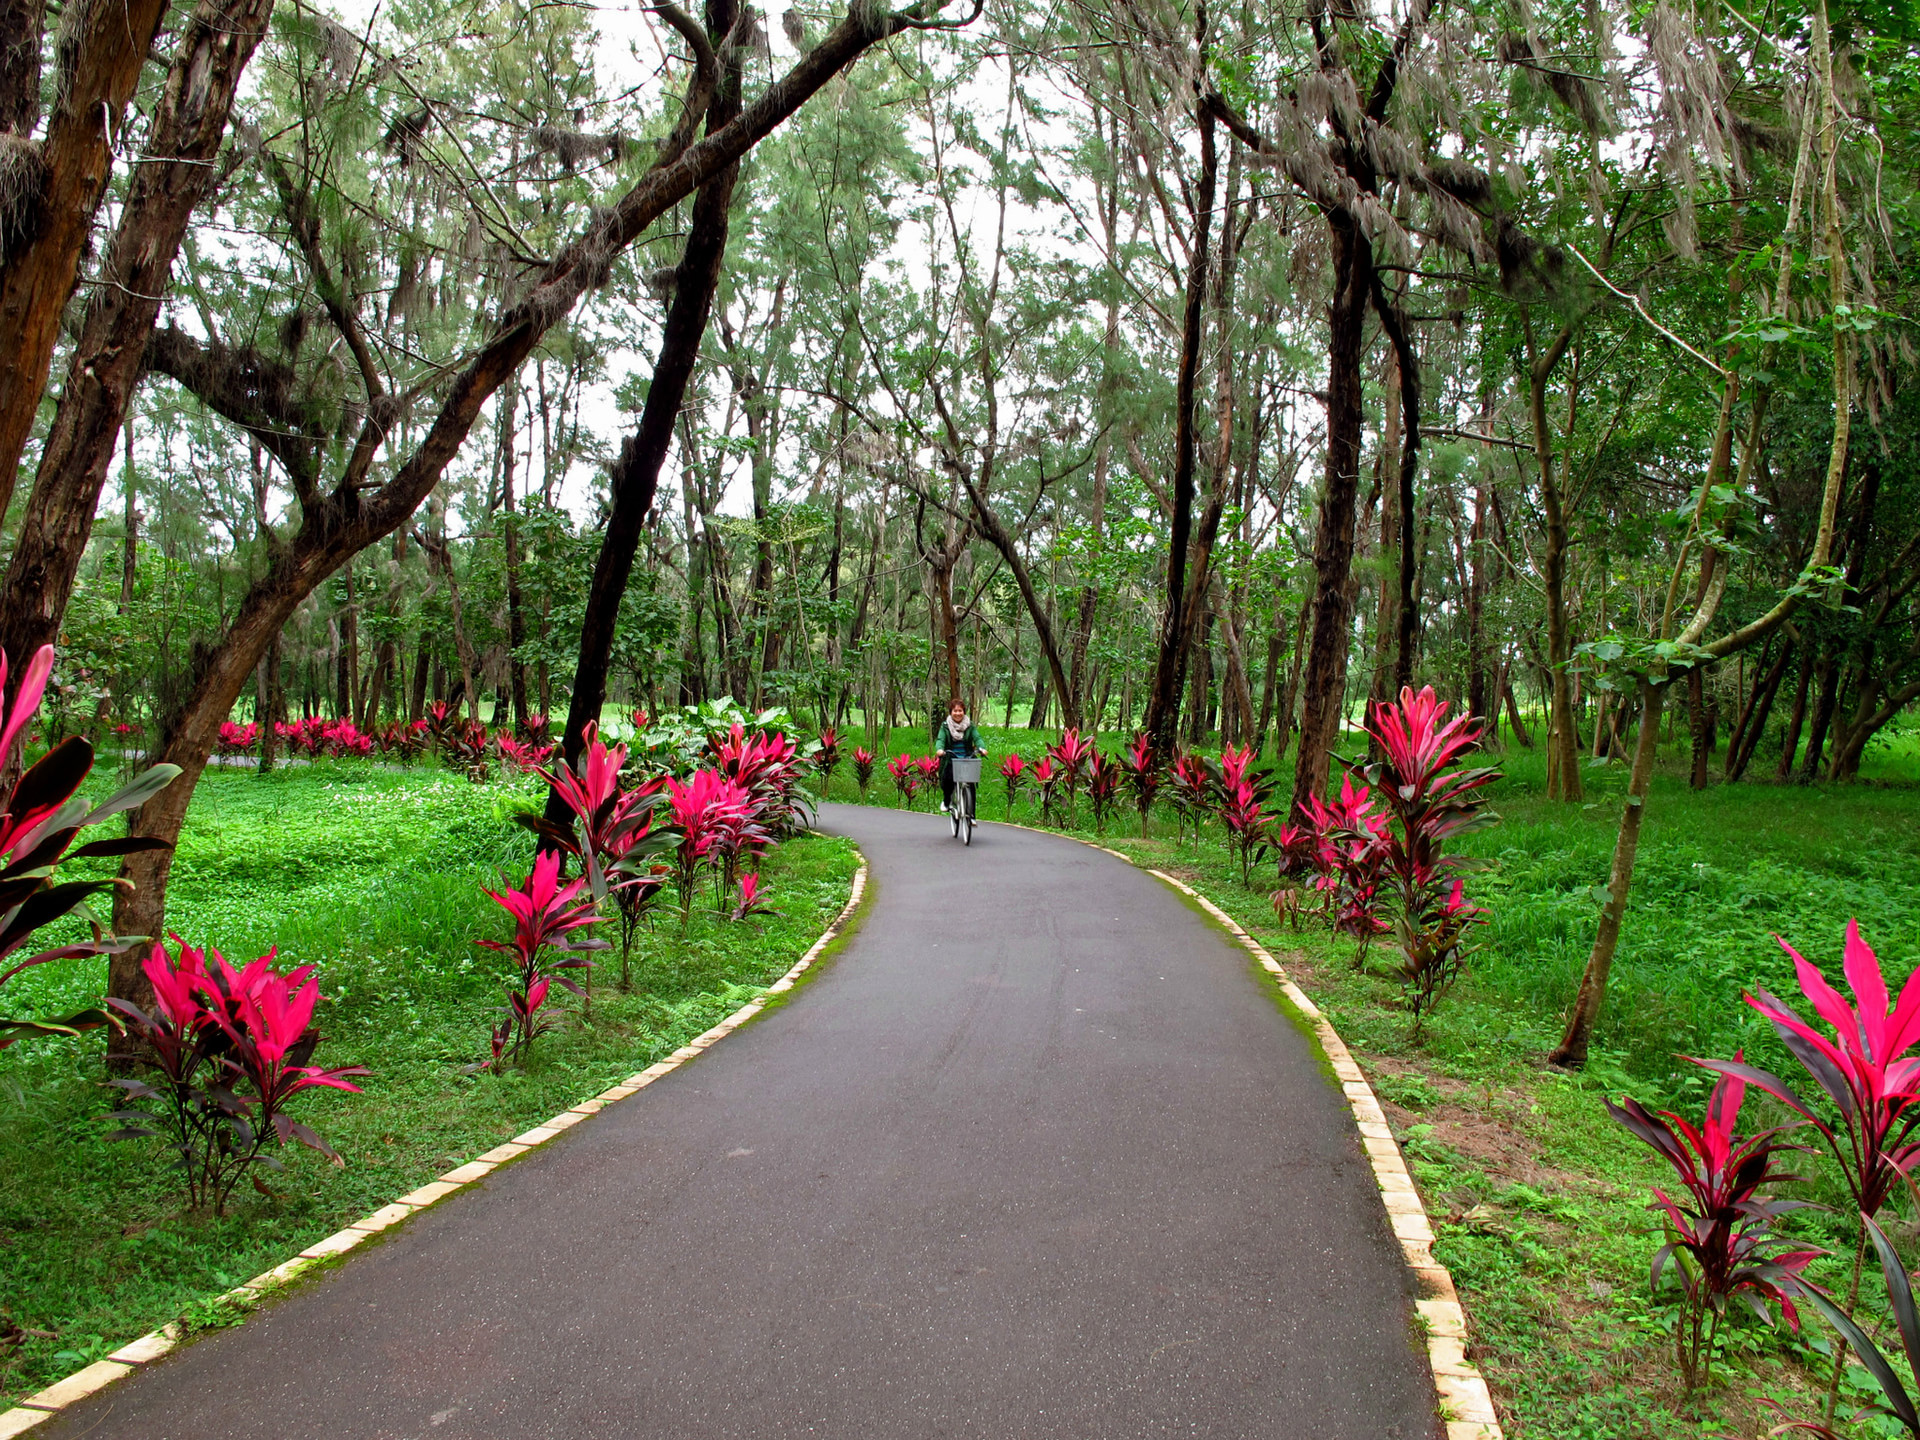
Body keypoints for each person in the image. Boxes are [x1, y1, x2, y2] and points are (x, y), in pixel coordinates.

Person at [934, 697, 982, 813]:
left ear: (964, 712)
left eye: (960, 710)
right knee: (948, 780)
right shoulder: (945, 726)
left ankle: (972, 816)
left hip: (967, 758)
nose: (958, 713)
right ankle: (946, 801)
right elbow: (941, 739)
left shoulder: (970, 725)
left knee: (971, 785)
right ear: (951, 712)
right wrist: (940, 749)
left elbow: (977, 737)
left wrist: (982, 747)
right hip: (951, 759)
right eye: (955, 711)